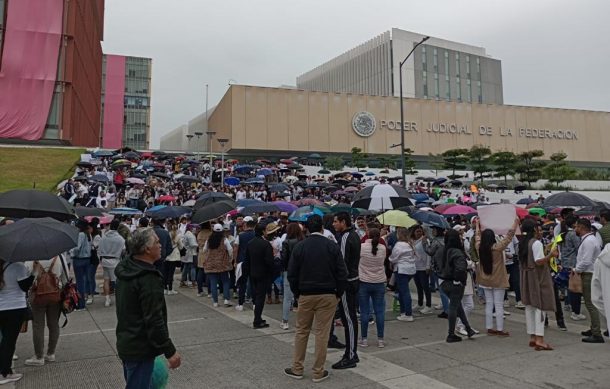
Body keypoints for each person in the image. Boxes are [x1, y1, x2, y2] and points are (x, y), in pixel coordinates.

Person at [284, 214, 348, 383]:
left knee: (301, 331)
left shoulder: (300, 247)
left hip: (306, 293)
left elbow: (292, 274)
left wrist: (297, 293)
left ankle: (297, 368)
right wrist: (338, 294)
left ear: (306, 229)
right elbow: (342, 273)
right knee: (322, 333)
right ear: (322, 228)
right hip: (328, 294)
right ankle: (318, 371)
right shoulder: (331, 246)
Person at [115, 228, 181, 388]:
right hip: (140, 346)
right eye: (157, 242)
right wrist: (170, 350)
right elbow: (154, 318)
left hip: (128, 341)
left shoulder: (127, 268)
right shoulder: (147, 279)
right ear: (146, 249)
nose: (161, 245)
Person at [475, 218, 519, 337]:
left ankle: (489, 327)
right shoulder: (497, 248)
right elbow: (509, 237)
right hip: (498, 280)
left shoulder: (479, 247)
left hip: (485, 280)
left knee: (489, 304)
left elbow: (477, 236)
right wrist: (515, 223)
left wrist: (477, 226)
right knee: (498, 305)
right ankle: (499, 329)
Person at [519, 218, 558, 350]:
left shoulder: (523, 242)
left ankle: (532, 337)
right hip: (536, 277)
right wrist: (551, 255)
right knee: (540, 307)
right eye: (538, 229)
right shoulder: (536, 243)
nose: (540, 231)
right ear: (534, 230)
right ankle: (540, 339)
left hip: (526, 276)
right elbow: (539, 261)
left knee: (529, 306)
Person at [24, 255, 68, 366]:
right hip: (55, 295)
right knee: (53, 324)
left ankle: (39, 356)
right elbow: (65, 278)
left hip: (38, 296)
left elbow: (26, 277)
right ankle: (51, 353)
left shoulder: (32, 258)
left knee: (38, 325)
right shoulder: (60, 257)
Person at [331, 212, 361, 370]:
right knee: (350, 318)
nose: (334, 224)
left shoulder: (345, 237)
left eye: (336, 222)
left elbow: (341, 263)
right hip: (354, 279)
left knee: (348, 319)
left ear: (343, 222)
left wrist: (338, 284)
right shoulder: (355, 235)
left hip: (347, 282)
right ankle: (352, 352)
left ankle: (350, 354)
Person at [0, 258, 33, 384]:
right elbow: (25, 287)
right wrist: (34, 273)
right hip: (15, 308)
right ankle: (4, 373)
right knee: (9, 341)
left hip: (1, 307)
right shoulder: (18, 266)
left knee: (4, 340)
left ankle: (4, 369)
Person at [439, 229, 476, 343]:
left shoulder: (443, 250)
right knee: (454, 307)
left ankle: (468, 328)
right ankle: (451, 334)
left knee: (457, 306)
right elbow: (460, 269)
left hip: (443, 281)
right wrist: (458, 280)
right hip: (454, 282)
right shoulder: (457, 252)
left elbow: (435, 264)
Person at [574, 218, 605, 343]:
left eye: (576, 227)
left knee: (591, 303)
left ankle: (597, 332)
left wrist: (577, 269)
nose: (575, 229)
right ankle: (593, 328)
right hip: (588, 272)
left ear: (581, 228)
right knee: (589, 302)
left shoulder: (589, 241)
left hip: (588, 273)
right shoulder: (590, 239)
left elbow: (586, 261)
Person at [358, 228, 387, 348]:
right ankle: (380, 339)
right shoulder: (383, 248)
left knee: (364, 312)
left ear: (367, 235)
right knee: (380, 312)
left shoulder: (362, 247)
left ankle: (364, 339)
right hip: (379, 281)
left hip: (364, 281)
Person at [245, 223, 275, 328]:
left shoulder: (250, 243)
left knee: (256, 296)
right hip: (263, 274)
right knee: (260, 298)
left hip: (253, 273)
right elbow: (269, 261)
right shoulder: (266, 244)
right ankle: (257, 320)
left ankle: (258, 317)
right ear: (263, 231)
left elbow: (247, 260)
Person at [202, 224, 233, 308]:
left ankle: (215, 302)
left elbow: (204, 250)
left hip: (211, 264)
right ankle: (226, 299)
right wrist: (230, 258)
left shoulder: (209, 240)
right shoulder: (224, 240)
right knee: (225, 281)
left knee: (213, 283)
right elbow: (230, 250)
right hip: (223, 263)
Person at [280, 222, 304, 330]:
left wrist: (283, 269)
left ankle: (285, 321)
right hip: (302, 271)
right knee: (301, 297)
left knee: (287, 298)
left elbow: (284, 259)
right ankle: (301, 322)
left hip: (289, 271)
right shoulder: (303, 241)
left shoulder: (286, 242)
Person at [389, 227, 417, 322]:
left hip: (401, 269)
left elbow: (394, 257)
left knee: (404, 292)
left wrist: (390, 261)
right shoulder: (410, 244)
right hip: (411, 269)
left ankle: (408, 313)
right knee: (402, 291)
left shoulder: (399, 245)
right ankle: (403, 312)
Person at [98, 219, 125, 307]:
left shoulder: (104, 237)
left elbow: (99, 249)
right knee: (117, 281)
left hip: (105, 260)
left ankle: (107, 299)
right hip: (115, 260)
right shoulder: (120, 239)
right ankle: (119, 299)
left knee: (106, 280)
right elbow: (123, 251)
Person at [233, 217, 256, 311]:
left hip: (242, 261)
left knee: (242, 283)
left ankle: (240, 304)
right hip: (254, 262)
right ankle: (255, 303)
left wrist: (235, 261)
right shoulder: (256, 235)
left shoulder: (240, 236)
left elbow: (235, 249)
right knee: (254, 283)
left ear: (245, 225)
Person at [411, 225, 433, 314]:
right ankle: (420, 303)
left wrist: (428, 266)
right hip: (415, 267)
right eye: (417, 231)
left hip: (424, 268)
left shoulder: (425, 241)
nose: (418, 233)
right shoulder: (412, 241)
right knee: (418, 287)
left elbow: (428, 254)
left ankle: (428, 305)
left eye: (420, 231)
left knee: (425, 287)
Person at [70, 220, 92, 310]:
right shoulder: (88, 234)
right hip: (87, 259)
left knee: (80, 282)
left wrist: (71, 253)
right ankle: (85, 297)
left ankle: (81, 303)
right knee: (85, 279)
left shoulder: (81, 235)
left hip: (79, 259)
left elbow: (77, 248)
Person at [163, 220, 183, 295]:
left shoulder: (165, 234)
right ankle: (170, 289)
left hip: (166, 255)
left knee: (165, 273)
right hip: (174, 256)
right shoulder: (177, 236)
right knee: (171, 273)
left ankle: (165, 288)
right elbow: (181, 247)